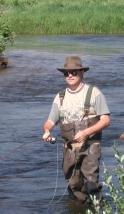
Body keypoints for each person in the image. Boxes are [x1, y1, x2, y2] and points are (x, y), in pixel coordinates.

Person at [42, 56, 110, 204]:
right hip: (69, 149)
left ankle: (97, 208)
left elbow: (105, 120)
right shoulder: (60, 97)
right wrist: (47, 131)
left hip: (90, 147)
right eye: (66, 73)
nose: (70, 76)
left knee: (91, 185)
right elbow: (50, 121)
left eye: (73, 72)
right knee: (73, 188)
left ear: (81, 73)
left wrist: (86, 132)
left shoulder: (94, 92)